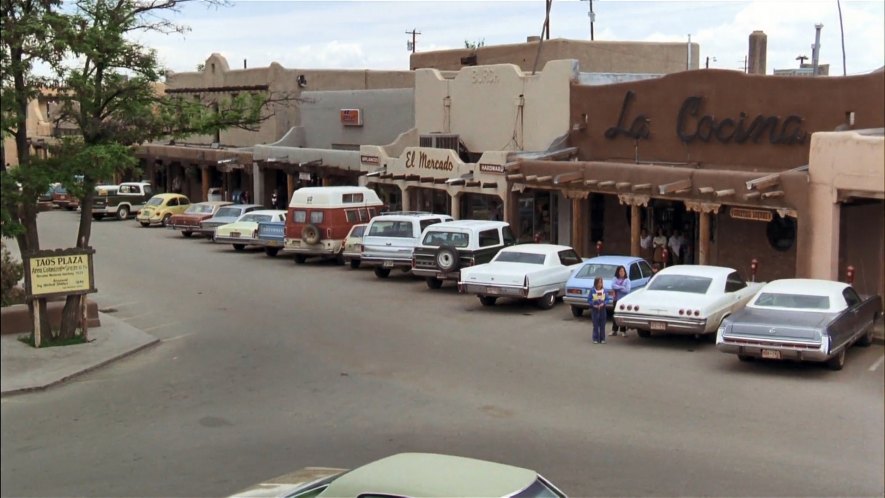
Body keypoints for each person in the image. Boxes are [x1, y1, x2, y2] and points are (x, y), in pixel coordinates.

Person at [610, 265, 631, 336]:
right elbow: (612, 285)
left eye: (623, 271)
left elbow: (627, 290)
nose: (622, 272)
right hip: (616, 299)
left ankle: (623, 330)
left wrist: (618, 288)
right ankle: (614, 330)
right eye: (620, 271)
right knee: (615, 315)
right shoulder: (615, 279)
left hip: (623, 301)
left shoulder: (627, 280)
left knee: (622, 315)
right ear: (618, 272)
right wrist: (622, 287)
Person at [589, 276, 607, 344]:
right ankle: (595, 338)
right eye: (599, 282)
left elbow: (607, 299)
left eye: (601, 282)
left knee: (602, 325)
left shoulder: (604, 290)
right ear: (596, 283)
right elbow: (589, 300)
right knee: (595, 325)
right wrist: (593, 304)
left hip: (602, 310)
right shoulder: (592, 290)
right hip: (595, 310)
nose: (600, 284)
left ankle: (602, 338)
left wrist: (603, 304)